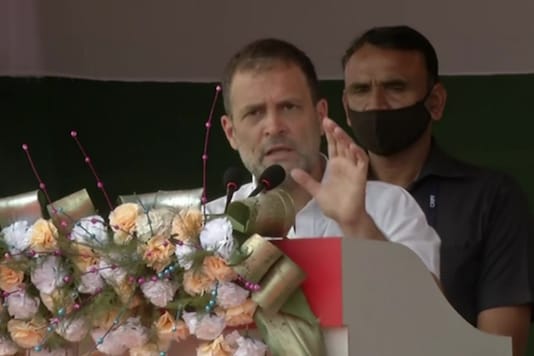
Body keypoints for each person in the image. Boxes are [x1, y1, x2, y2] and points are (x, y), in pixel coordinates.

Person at [341, 25, 533, 355]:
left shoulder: (491, 198)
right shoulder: (321, 205)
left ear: (435, 101)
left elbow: (503, 349)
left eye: (395, 87)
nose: (376, 104)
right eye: (361, 90)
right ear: (345, 108)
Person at [207, 38, 440, 279]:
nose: (274, 127)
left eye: (289, 107)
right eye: (254, 113)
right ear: (231, 132)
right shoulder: (207, 227)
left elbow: (431, 313)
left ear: (320, 116)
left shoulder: (388, 207)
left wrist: (356, 224)